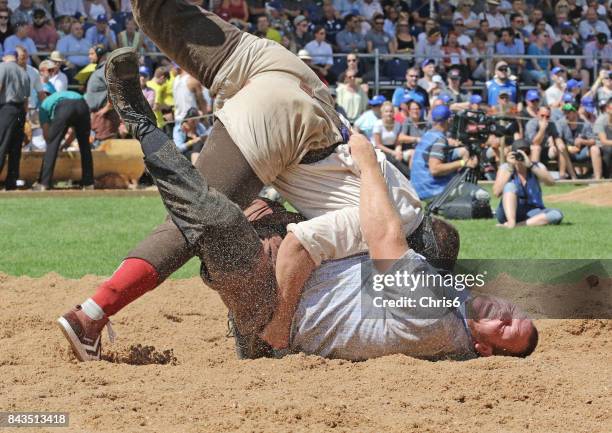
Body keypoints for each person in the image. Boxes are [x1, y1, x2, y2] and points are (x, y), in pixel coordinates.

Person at [59, 50, 537, 362]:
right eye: (515, 311)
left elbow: (307, 248)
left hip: (273, 310)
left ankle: (143, 126)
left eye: (504, 325)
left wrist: (369, 166)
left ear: (481, 347)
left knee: (214, 218)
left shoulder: (432, 313)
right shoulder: (453, 307)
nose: (505, 311)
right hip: (304, 283)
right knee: (234, 218)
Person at [33, 85, 94, 190]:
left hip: (64, 106)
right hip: (82, 104)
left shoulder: (43, 106)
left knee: (52, 145)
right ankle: (88, 183)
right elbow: (75, 132)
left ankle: (44, 183)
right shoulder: (57, 97)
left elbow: (48, 136)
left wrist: (54, 147)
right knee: (85, 146)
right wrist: (65, 145)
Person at [411, 105, 477, 200]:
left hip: (418, 188)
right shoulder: (440, 139)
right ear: (448, 120)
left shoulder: (427, 135)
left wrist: (460, 151)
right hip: (432, 190)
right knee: (482, 196)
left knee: (462, 151)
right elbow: (435, 169)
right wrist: (463, 163)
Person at [493, 139, 562, 228]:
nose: (523, 156)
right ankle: (511, 221)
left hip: (532, 211)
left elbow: (551, 182)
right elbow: (496, 192)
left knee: (556, 214)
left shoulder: (536, 166)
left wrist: (530, 165)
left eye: (526, 152)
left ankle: (517, 225)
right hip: (508, 212)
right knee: (510, 186)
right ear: (512, 154)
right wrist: (510, 169)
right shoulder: (505, 168)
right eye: (519, 154)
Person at [0, 51, 29, 190]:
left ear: (4, 57)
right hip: (20, 112)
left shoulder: (3, 67)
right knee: (15, 148)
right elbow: (26, 99)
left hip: (7, 109)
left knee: (1, 145)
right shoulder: (23, 71)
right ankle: (11, 182)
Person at [525, 105, 576, 180]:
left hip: (545, 150)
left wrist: (559, 144)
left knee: (561, 147)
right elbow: (535, 142)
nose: (545, 118)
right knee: (536, 148)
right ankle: (535, 178)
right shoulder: (532, 123)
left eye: (547, 116)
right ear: (537, 113)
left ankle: (562, 176)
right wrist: (542, 129)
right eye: (542, 116)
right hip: (530, 152)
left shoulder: (551, 124)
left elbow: (557, 137)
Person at [556, 102, 602, 179]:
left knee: (595, 149)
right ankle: (562, 176)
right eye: (565, 111)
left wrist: (583, 141)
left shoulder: (585, 123)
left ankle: (597, 178)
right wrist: (567, 147)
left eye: (568, 112)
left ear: (575, 112)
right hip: (567, 152)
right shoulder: (561, 123)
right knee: (561, 148)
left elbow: (593, 140)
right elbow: (558, 137)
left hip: (582, 151)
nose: (566, 114)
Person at [85, 48, 119, 143]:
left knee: (105, 145)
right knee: (97, 145)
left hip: (105, 115)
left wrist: (107, 108)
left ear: (100, 55)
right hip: (99, 114)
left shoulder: (106, 69)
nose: (89, 56)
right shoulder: (100, 69)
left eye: (92, 54)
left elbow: (115, 88)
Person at [593, 97, 612, 178]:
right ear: (607, 108)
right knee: (609, 150)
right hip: (602, 147)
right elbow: (604, 141)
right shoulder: (600, 121)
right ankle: (607, 176)